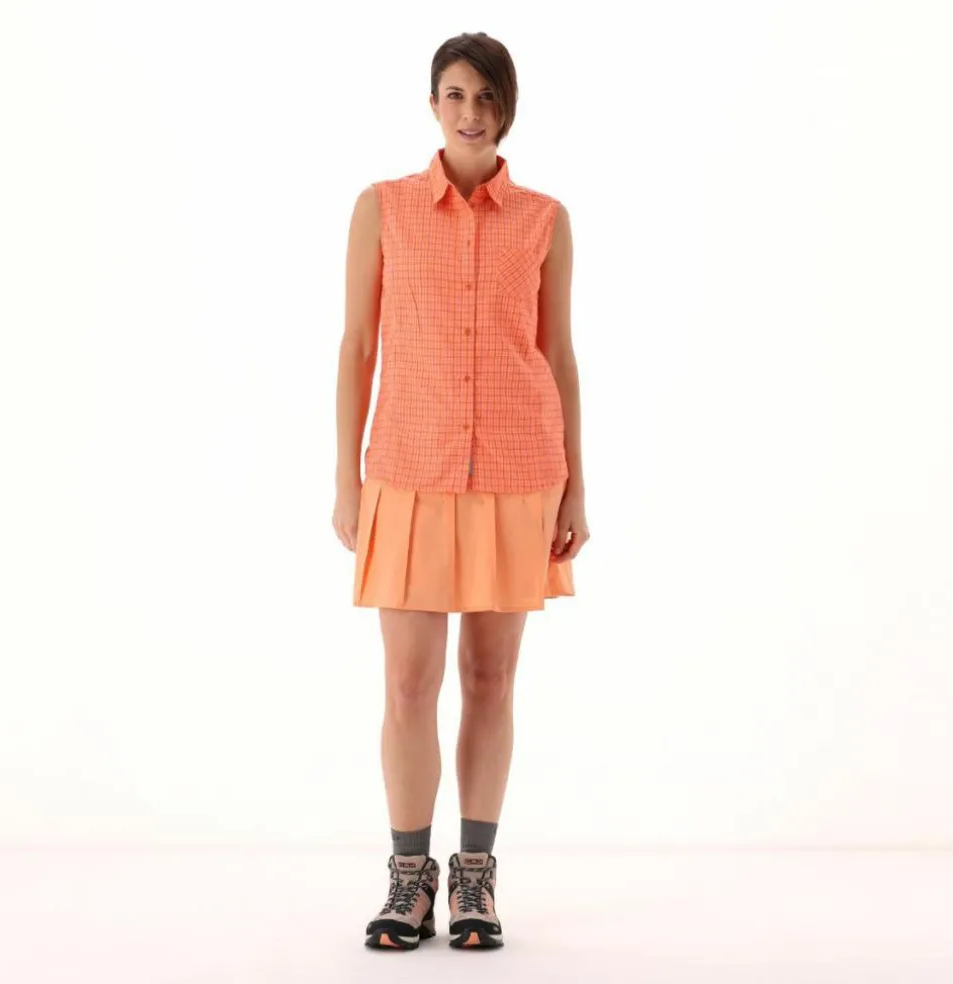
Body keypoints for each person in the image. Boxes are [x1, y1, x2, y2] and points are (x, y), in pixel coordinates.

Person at [332, 31, 589, 951]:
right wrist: (346, 478)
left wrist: (576, 487)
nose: (470, 112)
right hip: (407, 470)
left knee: (490, 678)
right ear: (432, 103)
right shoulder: (383, 208)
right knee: (408, 683)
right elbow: (358, 347)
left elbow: (558, 355)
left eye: (486, 97)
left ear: (506, 107)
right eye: (455, 94)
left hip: (518, 475)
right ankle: (409, 878)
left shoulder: (546, 219)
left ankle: (475, 876)